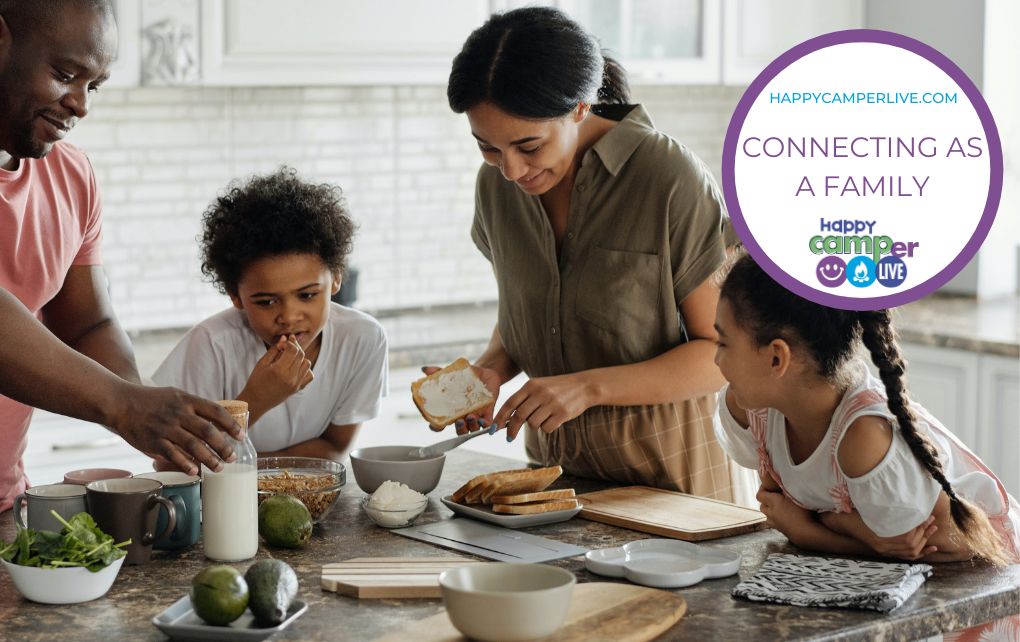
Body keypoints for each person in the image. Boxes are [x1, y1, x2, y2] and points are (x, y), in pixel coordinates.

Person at [434, 6, 752, 503]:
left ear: (581, 107)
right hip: (556, 487)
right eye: (489, 148)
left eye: (529, 146)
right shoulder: (495, 189)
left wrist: (587, 388)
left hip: (678, 490)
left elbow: (723, 355)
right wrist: (491, 369)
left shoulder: (666, 176)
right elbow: (533, 312)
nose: (512, 171)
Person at [0, 0, 241, 513]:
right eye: (66, 74)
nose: (81, 105)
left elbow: (89, 322)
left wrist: (160, 422)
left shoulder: (70, 176)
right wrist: (122, 404)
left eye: (95, 85)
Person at [713, 253, 1020, 639]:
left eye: (723, 343)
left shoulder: (863, 438)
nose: (715, 358)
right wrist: (856, 532)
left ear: (777, 357)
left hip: (989, 589)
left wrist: (814, 531)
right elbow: (780, 509)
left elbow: (948, 545)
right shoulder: (753, 408)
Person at [153, 169, 388, 461]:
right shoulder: (212, 345)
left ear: (337, 278)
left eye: (307, 295)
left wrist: (249, 467)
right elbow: (170, 463)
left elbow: (335, 447)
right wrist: (256, 400)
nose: (289, 317)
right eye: (266, 302)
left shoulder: (363, 339)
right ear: (235, 294)